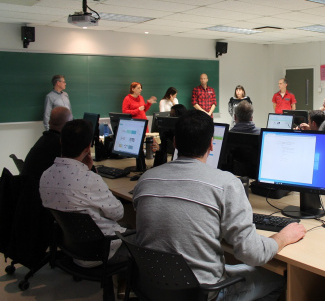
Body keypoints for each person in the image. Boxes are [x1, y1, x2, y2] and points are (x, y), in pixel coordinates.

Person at [133, 110, 306, 301]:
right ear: (210, 144)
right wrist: (282, 237)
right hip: (204, 293)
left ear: (174, 142)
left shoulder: (146, 179)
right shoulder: (226, 184)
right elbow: (252, 254)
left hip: (153, 286)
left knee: (235, 267)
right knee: (276, 278)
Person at [39, 119, 128, 267]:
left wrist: (85, 169)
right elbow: (118, 214)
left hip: (72, 247)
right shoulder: (89, 180)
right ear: (88, 147)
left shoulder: (45, 175)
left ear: (61, 141)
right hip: (102, 250)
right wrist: (90, 173)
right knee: (140, 235)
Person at [22, 107, 72, 182]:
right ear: (67, 125)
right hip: (38, 191)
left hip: (28, 187)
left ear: (49, 122)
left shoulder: (44, 139)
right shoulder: (59, 145)